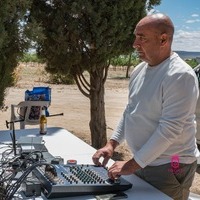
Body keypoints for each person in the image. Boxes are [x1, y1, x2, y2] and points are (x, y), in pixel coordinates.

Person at [92, 13, 200, 200]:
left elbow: (170, 129)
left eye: (142, 38)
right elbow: (130, 111)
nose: (135, 44)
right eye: (136, 36)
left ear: (163, 39)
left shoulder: (180, 75)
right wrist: (112, 143)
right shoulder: (139, 70)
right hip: (142, 161)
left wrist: (131, 165)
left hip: (172, 165)